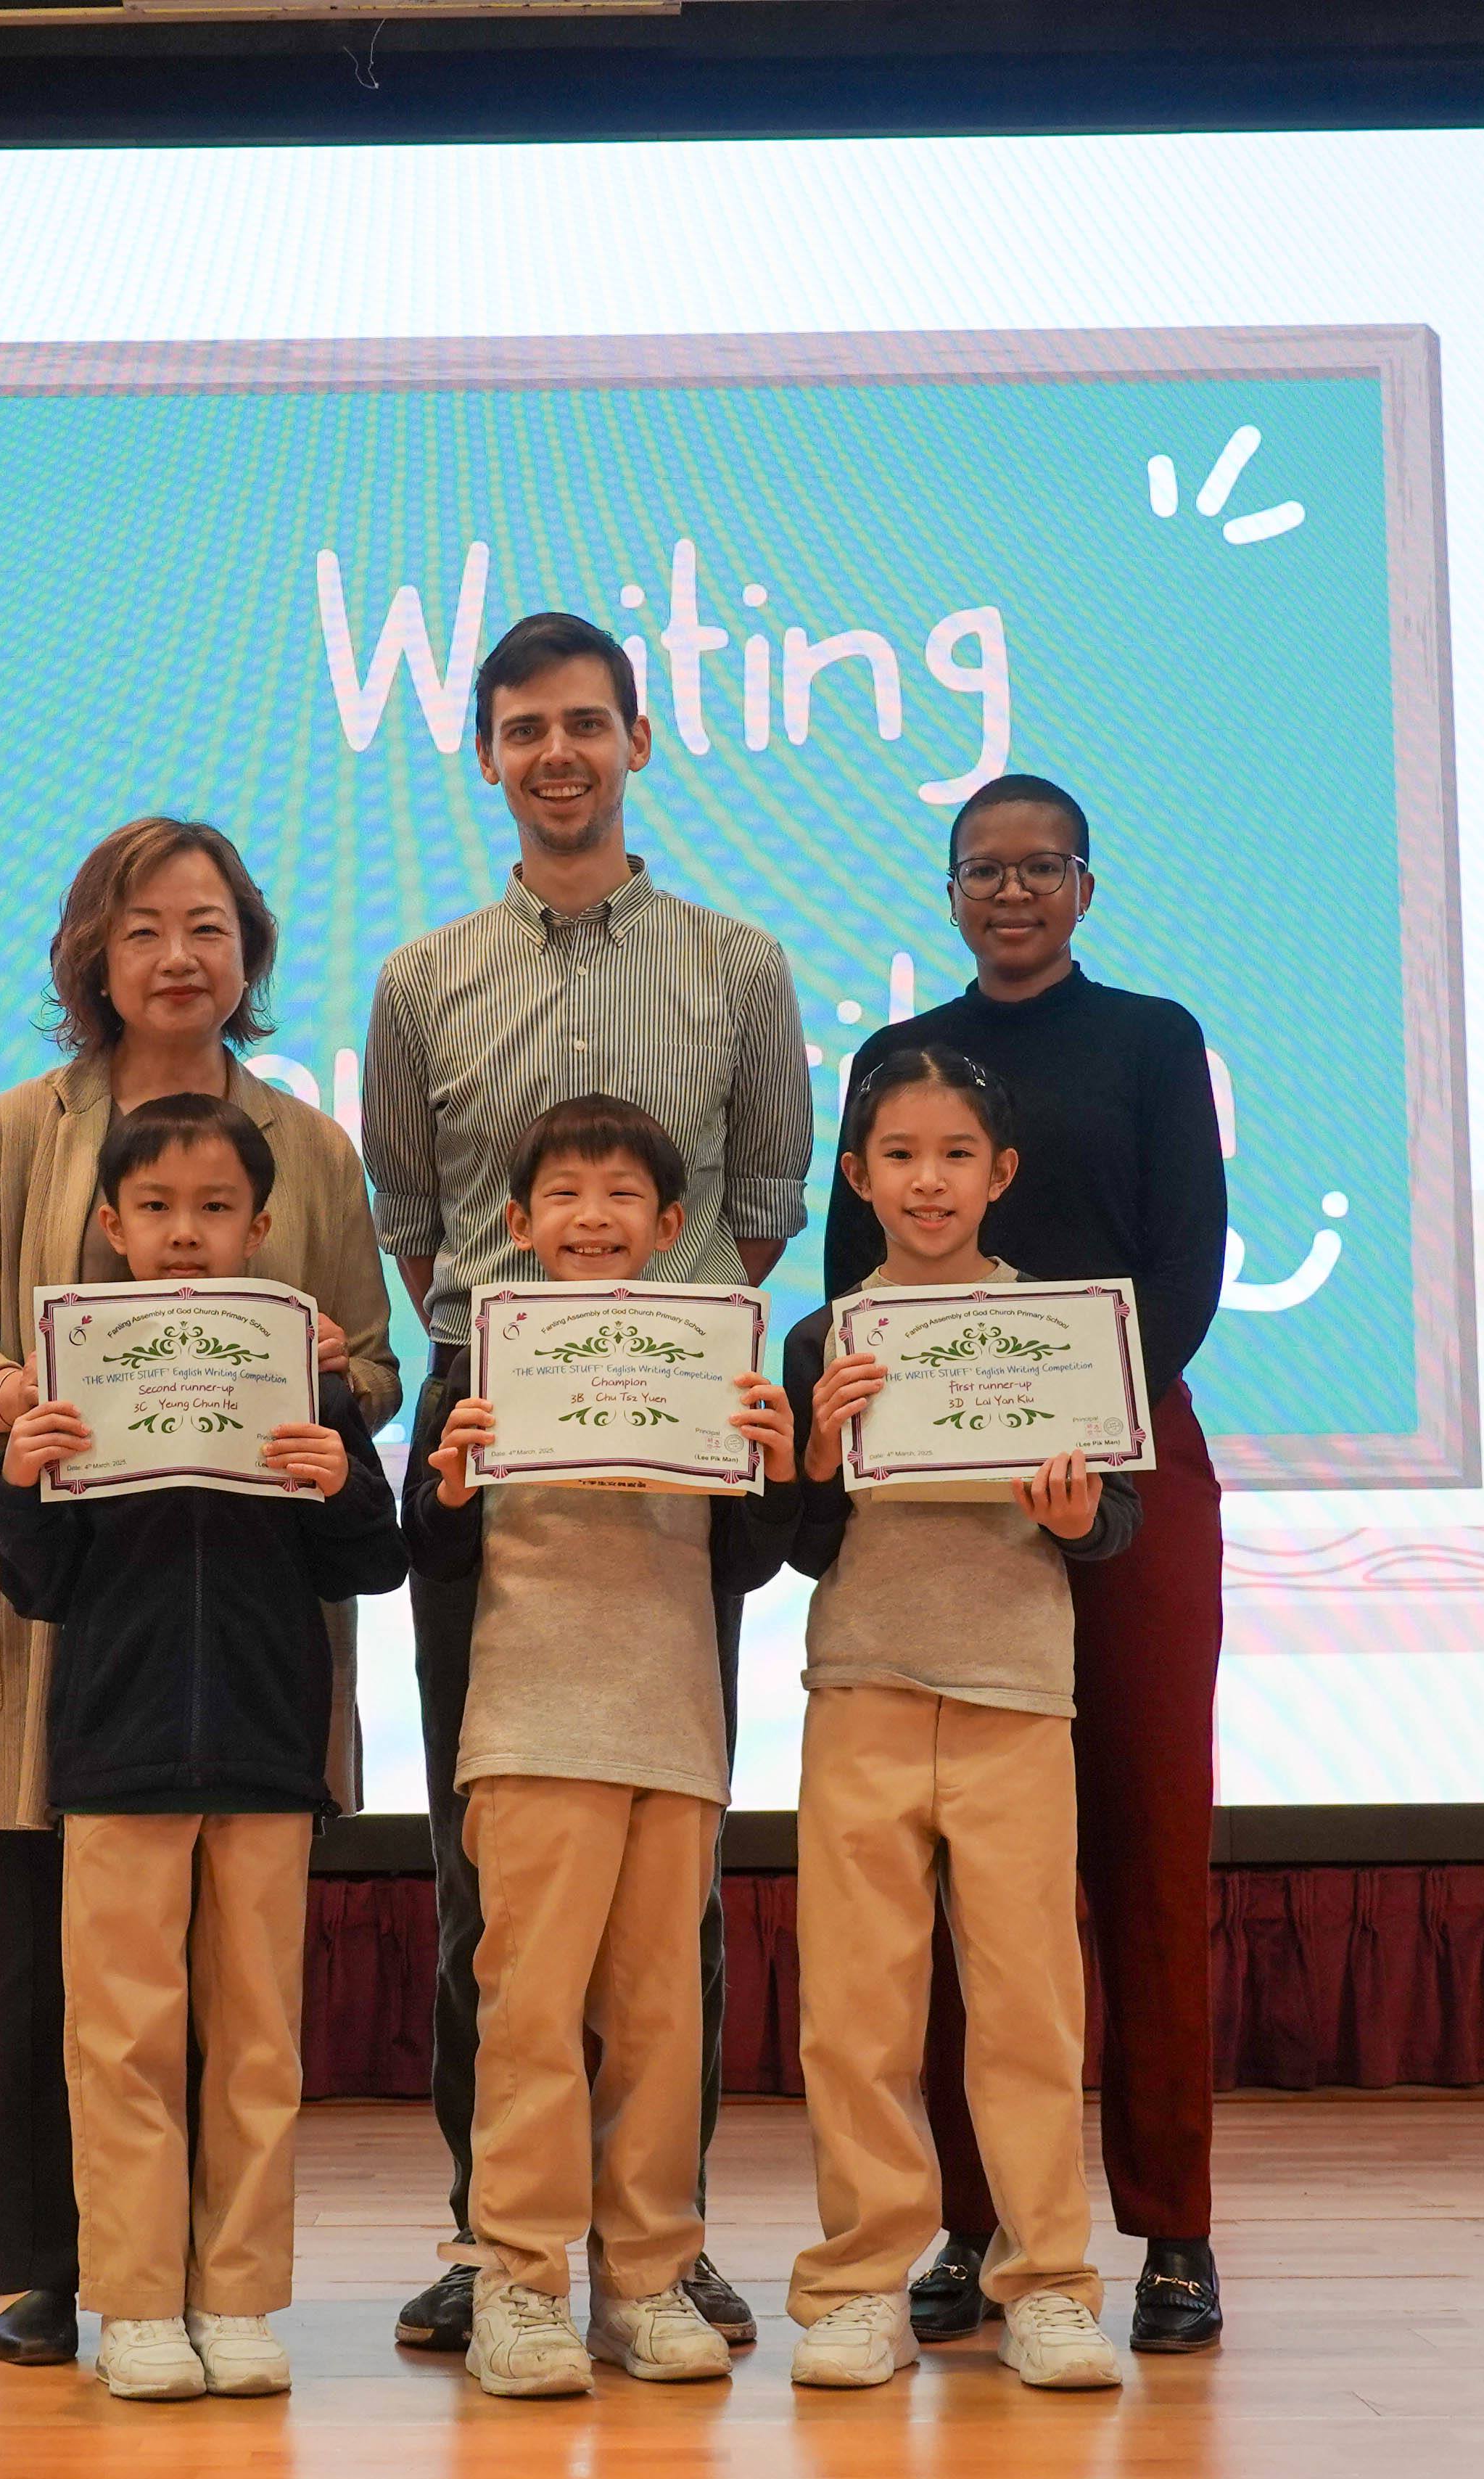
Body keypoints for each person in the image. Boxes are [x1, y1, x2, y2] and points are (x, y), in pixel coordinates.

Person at [0, 818, 398, 2372]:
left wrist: (331, 1378)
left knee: (236, 1989)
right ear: (91, 960)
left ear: (247, 952)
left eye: (208, 927)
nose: (179, 957)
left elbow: (375, 1365)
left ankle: (211, 2285)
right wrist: (8, 1401)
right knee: (36, 1955)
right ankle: (47, 2270)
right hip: (54, 1600)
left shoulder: (310, 1149)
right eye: (142, 931)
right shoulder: (14, 1132)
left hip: (242, 1622)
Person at [361, 612, 814, 2353]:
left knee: (663, 1857)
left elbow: (759, 1197)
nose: (555, 754)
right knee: (488, 1859)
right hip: (486, 1431)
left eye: (583, 724)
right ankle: (498, 2244)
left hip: (682, 1444)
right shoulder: (419, 982)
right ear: (485, 755)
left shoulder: (737, 967)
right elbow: (416, 1220)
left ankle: (655, 2245)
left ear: (635, 737)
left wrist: (649, 1353)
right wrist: (523, 1362)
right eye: (522, 730)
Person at [823, 773, 1233, 2356]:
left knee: (1145, 1848)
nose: (1011, 891)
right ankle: (972, 2220)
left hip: (1117, 1464)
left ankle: (1173, 2231)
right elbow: (852, 1291)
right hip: (938, 1497)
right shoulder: (899, 1056)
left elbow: (1185, 1269)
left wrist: (1079, 1419)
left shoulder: (1151, 1039)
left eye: (1040, 866)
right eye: (982, 870)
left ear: (1084, 886)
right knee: (953, 1877)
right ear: (948, 891)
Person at [0, 1093, 409, 2400]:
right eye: (157, 1208)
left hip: (269, 1751)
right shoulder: (77, 1375)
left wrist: (336, 1471)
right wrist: (18, 1476)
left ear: (260, 1228)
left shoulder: (309, 1378)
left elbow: (373, 1560)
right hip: (115, 1752)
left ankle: (236, 2298)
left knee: (257, 2041)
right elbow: (42, 1586)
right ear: (111, 1227)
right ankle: (134, 2304)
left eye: (216, 1208)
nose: (185, 1232)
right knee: (122, 2040)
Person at [403, 1093, 800, 2397]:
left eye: (623, 1194)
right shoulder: (477, 1365)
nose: (593, 1216)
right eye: (565, 1195)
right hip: (530, 1724)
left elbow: (744, 1563)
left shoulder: (716, 1363)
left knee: (659, 2019)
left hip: (671, 1723)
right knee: (526, 2015)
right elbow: (430, 1553)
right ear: (517, 1223)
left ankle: (645, 2280)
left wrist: (772, 1469)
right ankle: (518, 2284)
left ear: (672, 1224)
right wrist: (449, 1483)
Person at [778, 1048, 1134, 2395]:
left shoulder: (1062, 1328)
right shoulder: (824, 1339)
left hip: (1015, 1698)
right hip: (863, 1690)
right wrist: (817, 1457)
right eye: (901, 1156)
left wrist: (1079, 1517)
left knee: (1030, 2008)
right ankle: (860, 2287)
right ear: (858, 1178)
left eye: (957, 1155)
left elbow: (1117, 1521)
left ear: (1002, 1174)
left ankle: (1048, 2285)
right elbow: (800, 1543)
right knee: (856, 2014)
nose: (929, 1182)